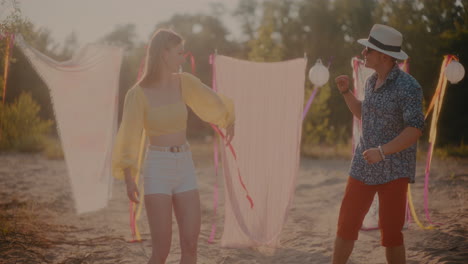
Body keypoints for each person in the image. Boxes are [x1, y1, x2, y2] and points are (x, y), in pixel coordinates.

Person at [112, 29, 235, 264]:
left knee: (190, 245)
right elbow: (128, 136)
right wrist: (129, 177)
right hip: (158, 168)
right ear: (163, 53)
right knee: (162, 251)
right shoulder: (137, 94)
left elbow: (213, 101)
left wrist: (230, 118)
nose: (184, 57)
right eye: (179, 53)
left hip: (185, 165)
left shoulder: (184, 82)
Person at [332, 24, 424, 264]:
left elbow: (415, 128)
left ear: (384, 56)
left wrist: (382, 152)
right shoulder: (371, 81)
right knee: (346, 224)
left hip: (394, 169)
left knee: (391, 233)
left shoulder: (409, 86)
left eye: (368, 50)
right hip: (363, 165)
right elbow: (364, 113)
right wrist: (346, 93)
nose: (364, 53)